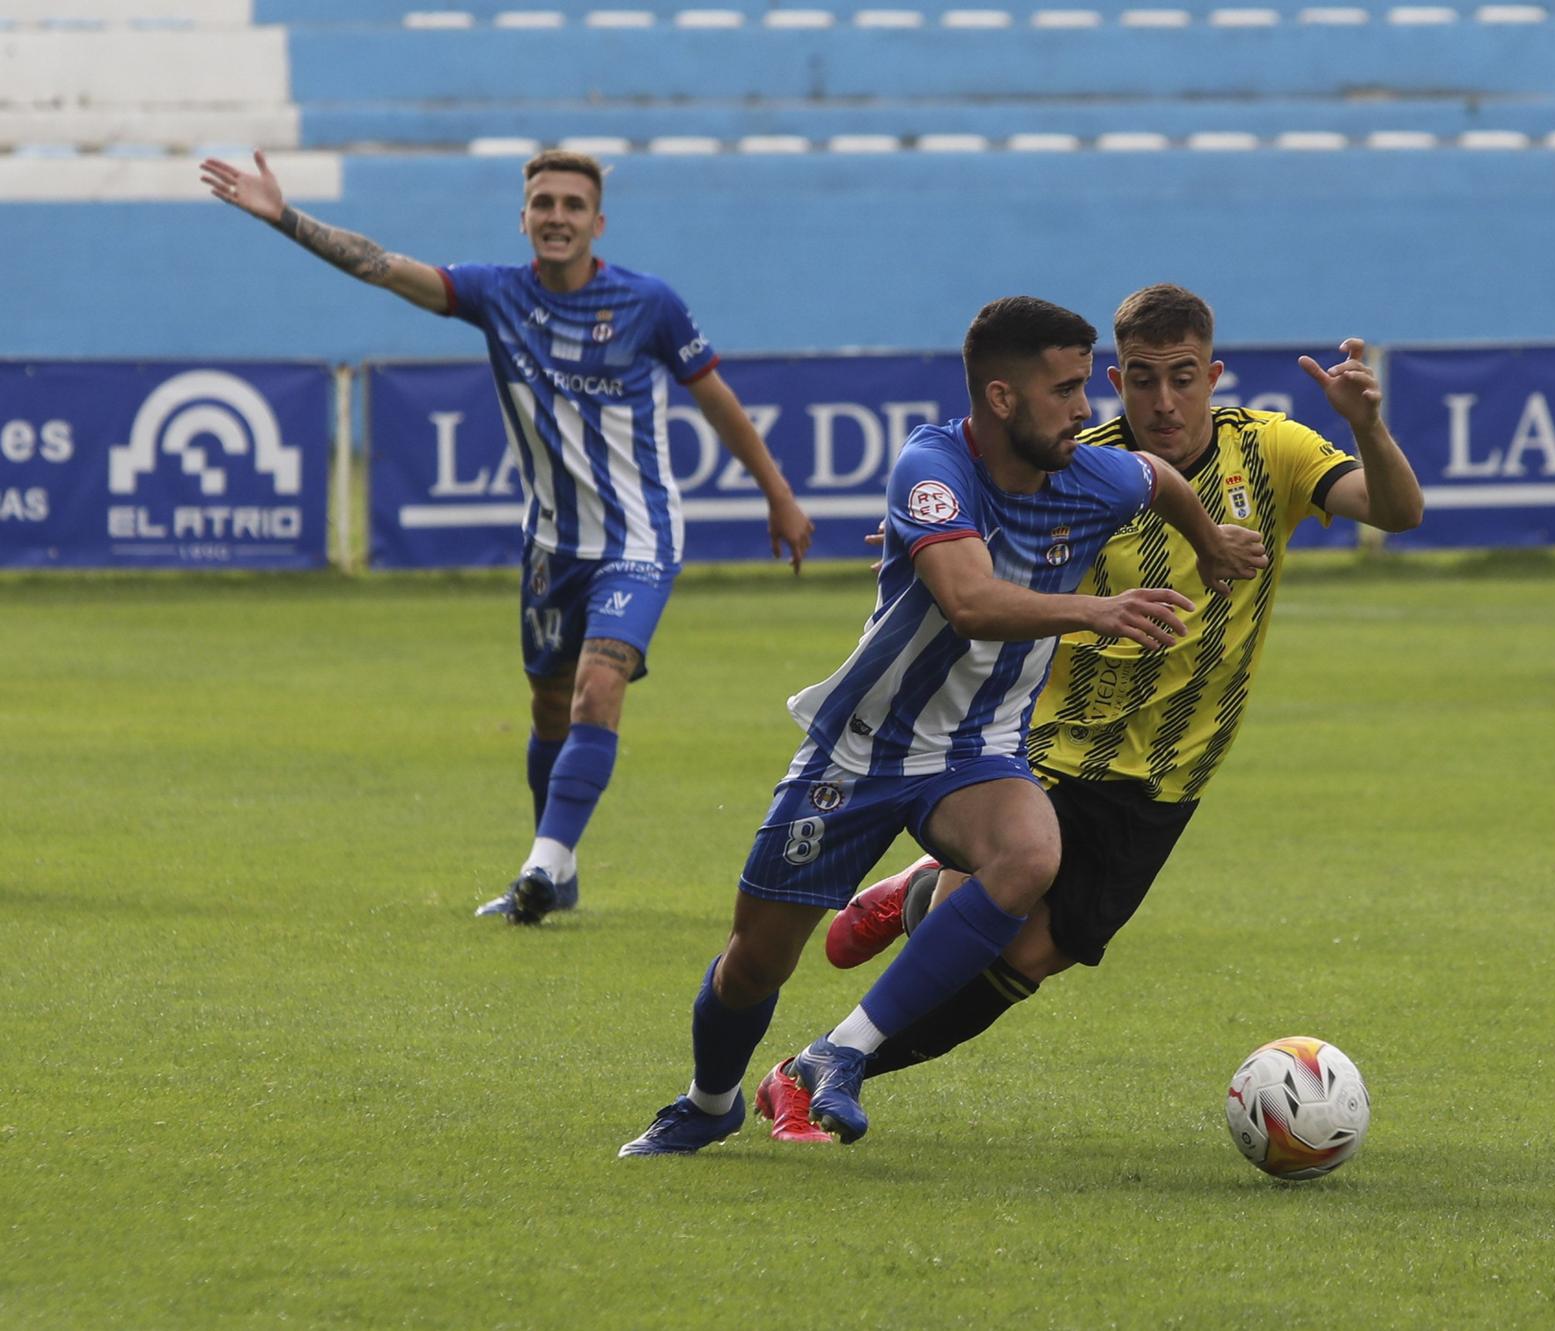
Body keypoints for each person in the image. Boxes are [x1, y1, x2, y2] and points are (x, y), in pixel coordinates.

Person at [751, 284, 1421, 1142]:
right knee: (992, 907)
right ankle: (823, 1063)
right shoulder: (1074, 466)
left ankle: (867, 972)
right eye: (1142, 380)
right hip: (1042, 745)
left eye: (1183, 378)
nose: (1164, 400)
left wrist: (1367, 423)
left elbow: (1399, 512)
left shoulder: (1272, 450)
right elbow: (967, 553)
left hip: (1171, 771)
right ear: (1115, 377)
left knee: (1029, 960)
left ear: (1213, 374)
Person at [617, 296, 1269, 1155]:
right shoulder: (932, 467)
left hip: (975, 750)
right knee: (755, 961)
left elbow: (1161, 481)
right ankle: (709, 1101)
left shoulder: (1096, 474)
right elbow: (967, 602)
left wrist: (1213, 544)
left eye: (1085, 388)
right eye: (1066, 390)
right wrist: (1096, 608)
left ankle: (841, 1053)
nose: (1086, 411)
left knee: (1031, 852)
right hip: (862, 748)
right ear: (1001, 399)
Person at [200, 149, 814, 923]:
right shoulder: (497, 295)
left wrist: (779, 496)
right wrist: (284, 217)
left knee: (600, 687)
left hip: (639, 538)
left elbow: (718, 400)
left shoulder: (649, 304)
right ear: (523, 217)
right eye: (542, 202)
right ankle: (559, 871)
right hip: (551, 547)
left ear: (598, 221)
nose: (557, 215)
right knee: (551, 709)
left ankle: (541, 864)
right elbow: (383, 266)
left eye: (572, 204)